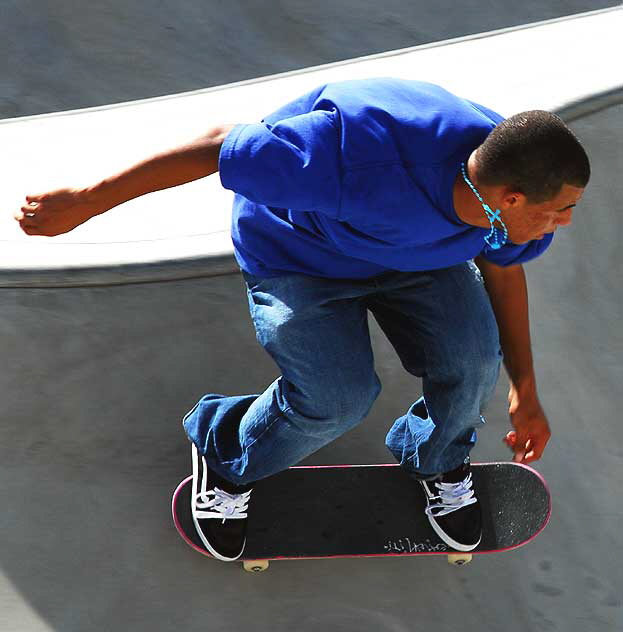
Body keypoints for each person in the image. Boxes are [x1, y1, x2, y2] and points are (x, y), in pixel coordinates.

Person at [15, 77, 589, 562]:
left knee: (470, 363)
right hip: (300, 258)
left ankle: (437, 462)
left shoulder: (502, 202)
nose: (563, 222)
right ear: (511, 198)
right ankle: (227, 453)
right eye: (560, 210)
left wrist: (526, 389)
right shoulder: (352, 155)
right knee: (336, 396)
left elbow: (504, 273)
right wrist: (87, 200)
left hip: (417, 260)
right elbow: (217, 146)